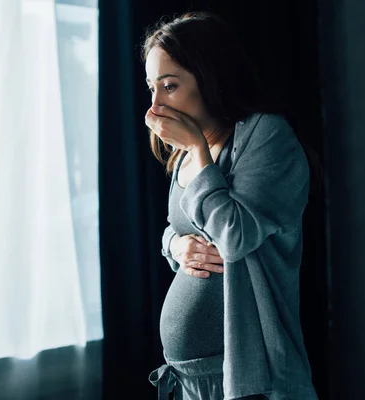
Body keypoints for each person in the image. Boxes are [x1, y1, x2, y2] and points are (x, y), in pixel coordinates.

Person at [142, 11, 320, 400]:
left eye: (169, 86)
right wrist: (175, 246)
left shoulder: (265, 135)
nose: (155, 104)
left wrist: (195, 148)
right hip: (192, 378)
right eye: (151, 87)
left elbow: (235, 237)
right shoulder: (187, 152)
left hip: (246, 374)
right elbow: (182, 229)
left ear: (210, 77)